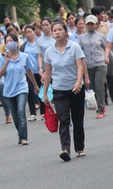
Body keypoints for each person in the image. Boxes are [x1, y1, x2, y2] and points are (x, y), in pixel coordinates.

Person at [43, 22, 86, 162]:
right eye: (54, 30)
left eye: (60, 29)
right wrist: (45, 94)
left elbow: (80, 66)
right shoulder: (49, 51)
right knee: (64, 119)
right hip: (59, 90)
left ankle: (79, 148)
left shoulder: (74, 47)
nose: (57, 32)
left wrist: (79, 82)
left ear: (65, 32)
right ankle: (65, 149)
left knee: (77, 119)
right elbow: (48, 73)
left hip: (75, 89)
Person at [0, 33, 39, 145]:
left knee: (20, 111)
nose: (9, 43)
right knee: (14, 115)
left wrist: (34, 85)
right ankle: (20, 133)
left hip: (21, 88)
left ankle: (24, 137)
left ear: (16, 42)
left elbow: (29, 71)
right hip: (8, 90)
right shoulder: (1, 58)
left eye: (11, 40)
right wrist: (6, 62)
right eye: (7, 41)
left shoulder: (24, 56)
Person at [79, 15, 107, 119]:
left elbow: (107, 48)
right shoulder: (81, 38)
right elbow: (78, 52)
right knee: (92, 88)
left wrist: (108, 58)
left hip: (100, 64)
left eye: (92, 24)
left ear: (95, 25)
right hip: (87, 65)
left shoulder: (100, 36)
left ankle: (100, 108)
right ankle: (98, 105)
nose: (90, 26)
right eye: (88, 24)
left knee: (99, 86)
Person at [20, 25, 43, 121]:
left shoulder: (39, 43)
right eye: (27, 32)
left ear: (34, 32)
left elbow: (41, 56)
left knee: (41, 91)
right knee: (30, 91)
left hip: (39, 71)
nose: (29, 34)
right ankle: (33, 112)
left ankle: (43, 112)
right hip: (28, 72)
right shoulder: (23, 46)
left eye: (30, 32)